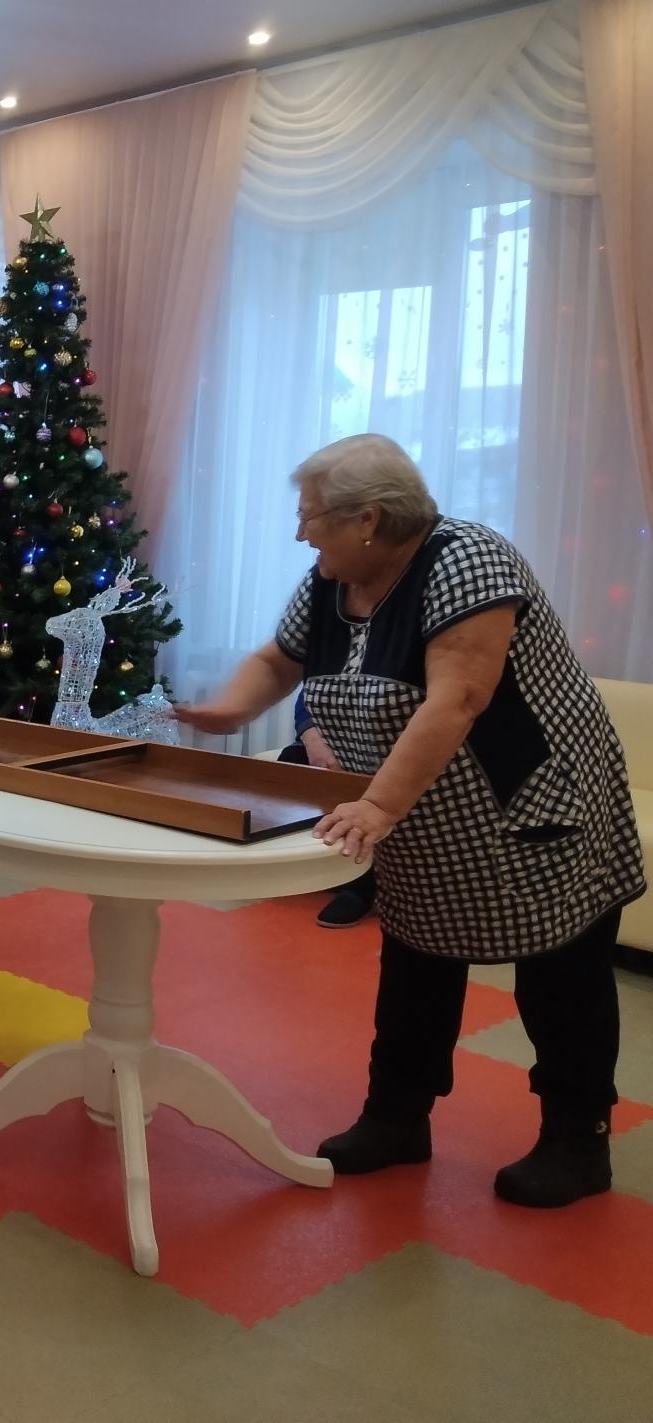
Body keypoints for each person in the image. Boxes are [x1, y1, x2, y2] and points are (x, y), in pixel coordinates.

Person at [179, 434, 644, 1208]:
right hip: (425, 812)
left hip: (534, 804)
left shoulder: (468, 560)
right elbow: (278, 660)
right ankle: (396, 1117)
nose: (300, 533)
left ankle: (578, 1138)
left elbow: (459, 696)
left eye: (311, 517)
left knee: (561, 976)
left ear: (367, 518)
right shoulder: (334, 579)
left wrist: (378, 804)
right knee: (416, 964)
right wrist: (226, 711)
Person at [278, 687, 376, 928]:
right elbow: (306, 697)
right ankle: (303, 863)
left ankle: (361, 887)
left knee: (364, 782)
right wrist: (312, 739)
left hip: (375, 746)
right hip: (329, 739)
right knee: (290, 760)